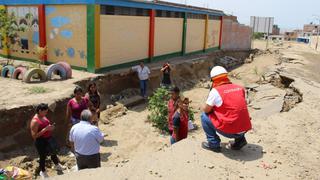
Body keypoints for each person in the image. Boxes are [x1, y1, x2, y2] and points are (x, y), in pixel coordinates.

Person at [201, 66, 252, 152]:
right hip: (244, 129)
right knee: (237, 112)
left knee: (204, 117)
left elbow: (206, 110)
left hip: (231, 131)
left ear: (213, 80)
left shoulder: (215, 91)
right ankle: (240, 140)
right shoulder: (240, 88)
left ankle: (214, 144)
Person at [30, 103, 65, 179]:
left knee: (53, 152)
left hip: (48, 139)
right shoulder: (35, 121)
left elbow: (46, 125)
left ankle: (57, 165)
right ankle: (43, 172)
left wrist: (51, 128)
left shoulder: (43, 116)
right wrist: (45, 129)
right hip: (40, 141)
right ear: (40, 111)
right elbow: (34, 136)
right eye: (45, 112)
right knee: (43, 156)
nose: (46, 113)